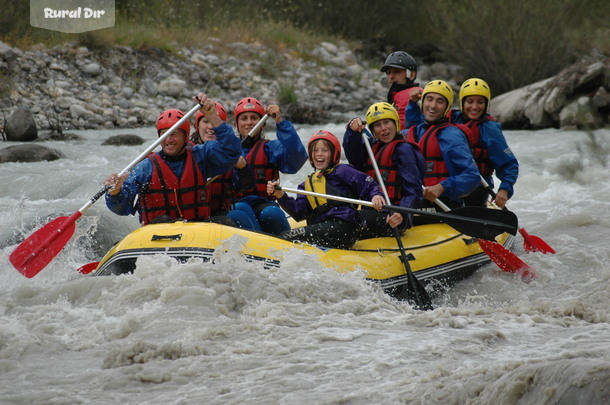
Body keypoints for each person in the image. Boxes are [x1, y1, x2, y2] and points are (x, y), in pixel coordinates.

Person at [104, 94, 242, 226]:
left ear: (186, 137)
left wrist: (212, 116)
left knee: (225, 222)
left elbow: (233, 151)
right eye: (164, 134)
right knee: (163, 220)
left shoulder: (201, 156)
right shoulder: (145, 167)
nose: (169, 140)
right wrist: (115, 192)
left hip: (196, 230)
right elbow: (122, 209)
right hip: (157, 235)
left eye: (174, 134)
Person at [267, 130, 385, 248]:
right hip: (326, 228)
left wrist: (376, 195)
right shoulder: (306, 185)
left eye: (325, 150)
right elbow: (299, 213)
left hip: (343, 226)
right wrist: (281, 195)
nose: (319, 154)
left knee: (285, 237)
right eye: (315, 150)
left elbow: (367, 183)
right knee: (285, 236)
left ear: (334, 154)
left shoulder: (343, 171)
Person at [343, 102, 425, 238]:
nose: (383, 129)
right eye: (377, 125)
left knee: (347, 219)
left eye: (387, 122)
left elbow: (413, 188)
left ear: (396, 123)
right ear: (373, 130)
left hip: (395, 214)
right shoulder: (373, 148)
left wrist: (402, 213)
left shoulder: (404, 150)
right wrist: (352, 132)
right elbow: (353, 156)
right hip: (372, 210)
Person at [229, 97, 308, 235]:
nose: (249, 123)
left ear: (262, 125)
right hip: (237, 204)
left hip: (265, 203)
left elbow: (297, 158)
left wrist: (280, 122)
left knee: (271, 213)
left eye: (254, 118)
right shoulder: (227, 150)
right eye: (244, 118)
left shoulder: (270, 148)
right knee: (238, 212)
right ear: (237, 123)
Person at [404, 80, 480, 211]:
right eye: (429, 99)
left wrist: (442, 187)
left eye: (440, 101)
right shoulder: (414, 131)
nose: (433, 106)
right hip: (414, 202)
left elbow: (472, 177)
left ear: (447, 107)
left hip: (443, 204)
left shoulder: (452, 136)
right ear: (422, 103)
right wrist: (357, 130)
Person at [452, 78, 519, 208]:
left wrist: (504, 189)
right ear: (462, 102)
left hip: (477, 188)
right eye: (470, 101)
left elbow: (509, 164)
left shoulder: (489, 129)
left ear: (486, 104)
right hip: (448, 185)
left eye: (480, 102)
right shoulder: (450, 119)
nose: (475, 107)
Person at [191, 103, 257, 229]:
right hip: (193, 219)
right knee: (237, 214)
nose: (210, 127)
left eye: (214, 122)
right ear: (196, 125)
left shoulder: (231, 155)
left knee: (240, 211)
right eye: (205, 121)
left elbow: (246, 186)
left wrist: (243, 168)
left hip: (221, 214)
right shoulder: (186, 153)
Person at [380, 51, 423, 131]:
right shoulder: (396, 96)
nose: (391, 76)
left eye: (397, 72)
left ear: (411, 75)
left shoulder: (416, 95)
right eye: (388, 72)